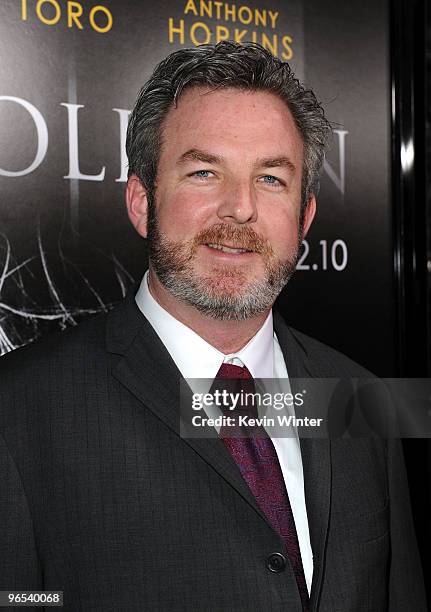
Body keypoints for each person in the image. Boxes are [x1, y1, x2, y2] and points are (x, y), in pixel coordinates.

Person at [0, 42, 426, 611]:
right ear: (141, 201)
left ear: (304, 217)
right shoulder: (17, 411)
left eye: (272, 178)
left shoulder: (365, 401)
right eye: (204, 172)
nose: (240, 208)